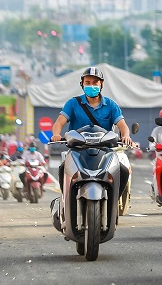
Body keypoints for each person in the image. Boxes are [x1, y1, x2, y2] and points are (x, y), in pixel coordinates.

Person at [50, 66, 133, 195]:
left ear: (101, 84)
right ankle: (66, 199)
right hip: (77, 150)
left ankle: (114, 201)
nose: (91, 85)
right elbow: (58, 123)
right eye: (87, 82)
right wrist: (56, 134)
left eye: (95, 82)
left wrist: (126, 136)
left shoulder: (111, 105)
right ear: (82, 84)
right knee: (63, 169)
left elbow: (123, 126)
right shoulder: (73, 103)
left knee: (123, 170)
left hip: (105, 151)